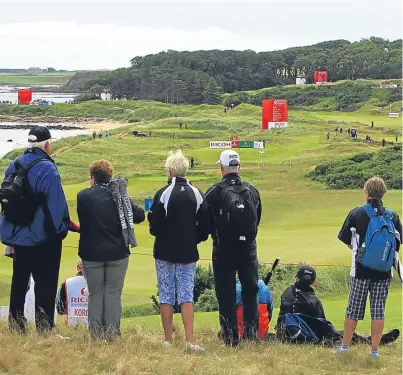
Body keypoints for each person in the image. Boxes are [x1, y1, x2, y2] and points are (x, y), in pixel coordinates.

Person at [0, 126, 70, 334]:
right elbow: (56, 206)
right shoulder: (48, 169)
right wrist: (60, 231)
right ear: (47, 145)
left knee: (19, 280)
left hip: (18, 234)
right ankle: (45, 327)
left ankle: (16, 325)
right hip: (42, 236)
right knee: (45, 282)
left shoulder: (15, 164)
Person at [148, 150, 210, 351]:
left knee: (166, 295)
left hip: (165, 251)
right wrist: (195, 238)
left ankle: (167, 339)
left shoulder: (163, 193)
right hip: (188, 251)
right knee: (186, 295)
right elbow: (204, 225)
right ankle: (190, 340)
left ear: (170, 171)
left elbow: (154, 226)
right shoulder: (197, 193)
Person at [77, 160, 145, 341]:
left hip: (91, 253)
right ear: (110, 176)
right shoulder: (119, 197)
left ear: (92, 177)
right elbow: (139, 215)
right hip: (118, 252)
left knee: (95, 293)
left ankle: (96, 335)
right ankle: (112, 334)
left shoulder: (83, 196)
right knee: (113, 293)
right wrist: (123, 195)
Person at [335, 176, 402, 357]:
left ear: (367, 193)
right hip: (383, 271)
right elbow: (397, 243)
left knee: (353, 309)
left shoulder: (357, 213)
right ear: (383, 193)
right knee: (378, 310)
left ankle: (345, 348)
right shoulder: (392, 216)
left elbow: (346, 240)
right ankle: (374, 351)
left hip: (360, 270)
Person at [206, 150, 261, 346]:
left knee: (225, 292)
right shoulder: (252, 190)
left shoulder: (214, 192)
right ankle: (251, 335)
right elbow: (257, 220)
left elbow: (206, 223)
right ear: (239, 166)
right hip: (248, 248)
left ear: (221, 167)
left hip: (223, 249)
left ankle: (230, 338)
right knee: (250, 290)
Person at [276, 266, 400, 346]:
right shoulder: (313, 301)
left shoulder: (286, 292)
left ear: (296, 278)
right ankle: (372, 341)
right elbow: (322, 325)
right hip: (308, 335)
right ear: (314, 282)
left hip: (284, 334)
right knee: (346, 335)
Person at [56, 259, 89, 326]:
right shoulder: (99, 284)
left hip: (71, 326)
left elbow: (60, 310)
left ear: (77, 267)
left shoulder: (66, 283)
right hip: (94, 328)